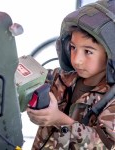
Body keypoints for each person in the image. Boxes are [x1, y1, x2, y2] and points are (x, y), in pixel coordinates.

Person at [27, 0, 115, 149]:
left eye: (88, 51)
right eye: (73, 47)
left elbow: (104, 145)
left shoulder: (111, 98)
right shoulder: (62, 79)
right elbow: (27, 82)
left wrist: (59, 119)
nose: (77, 60)